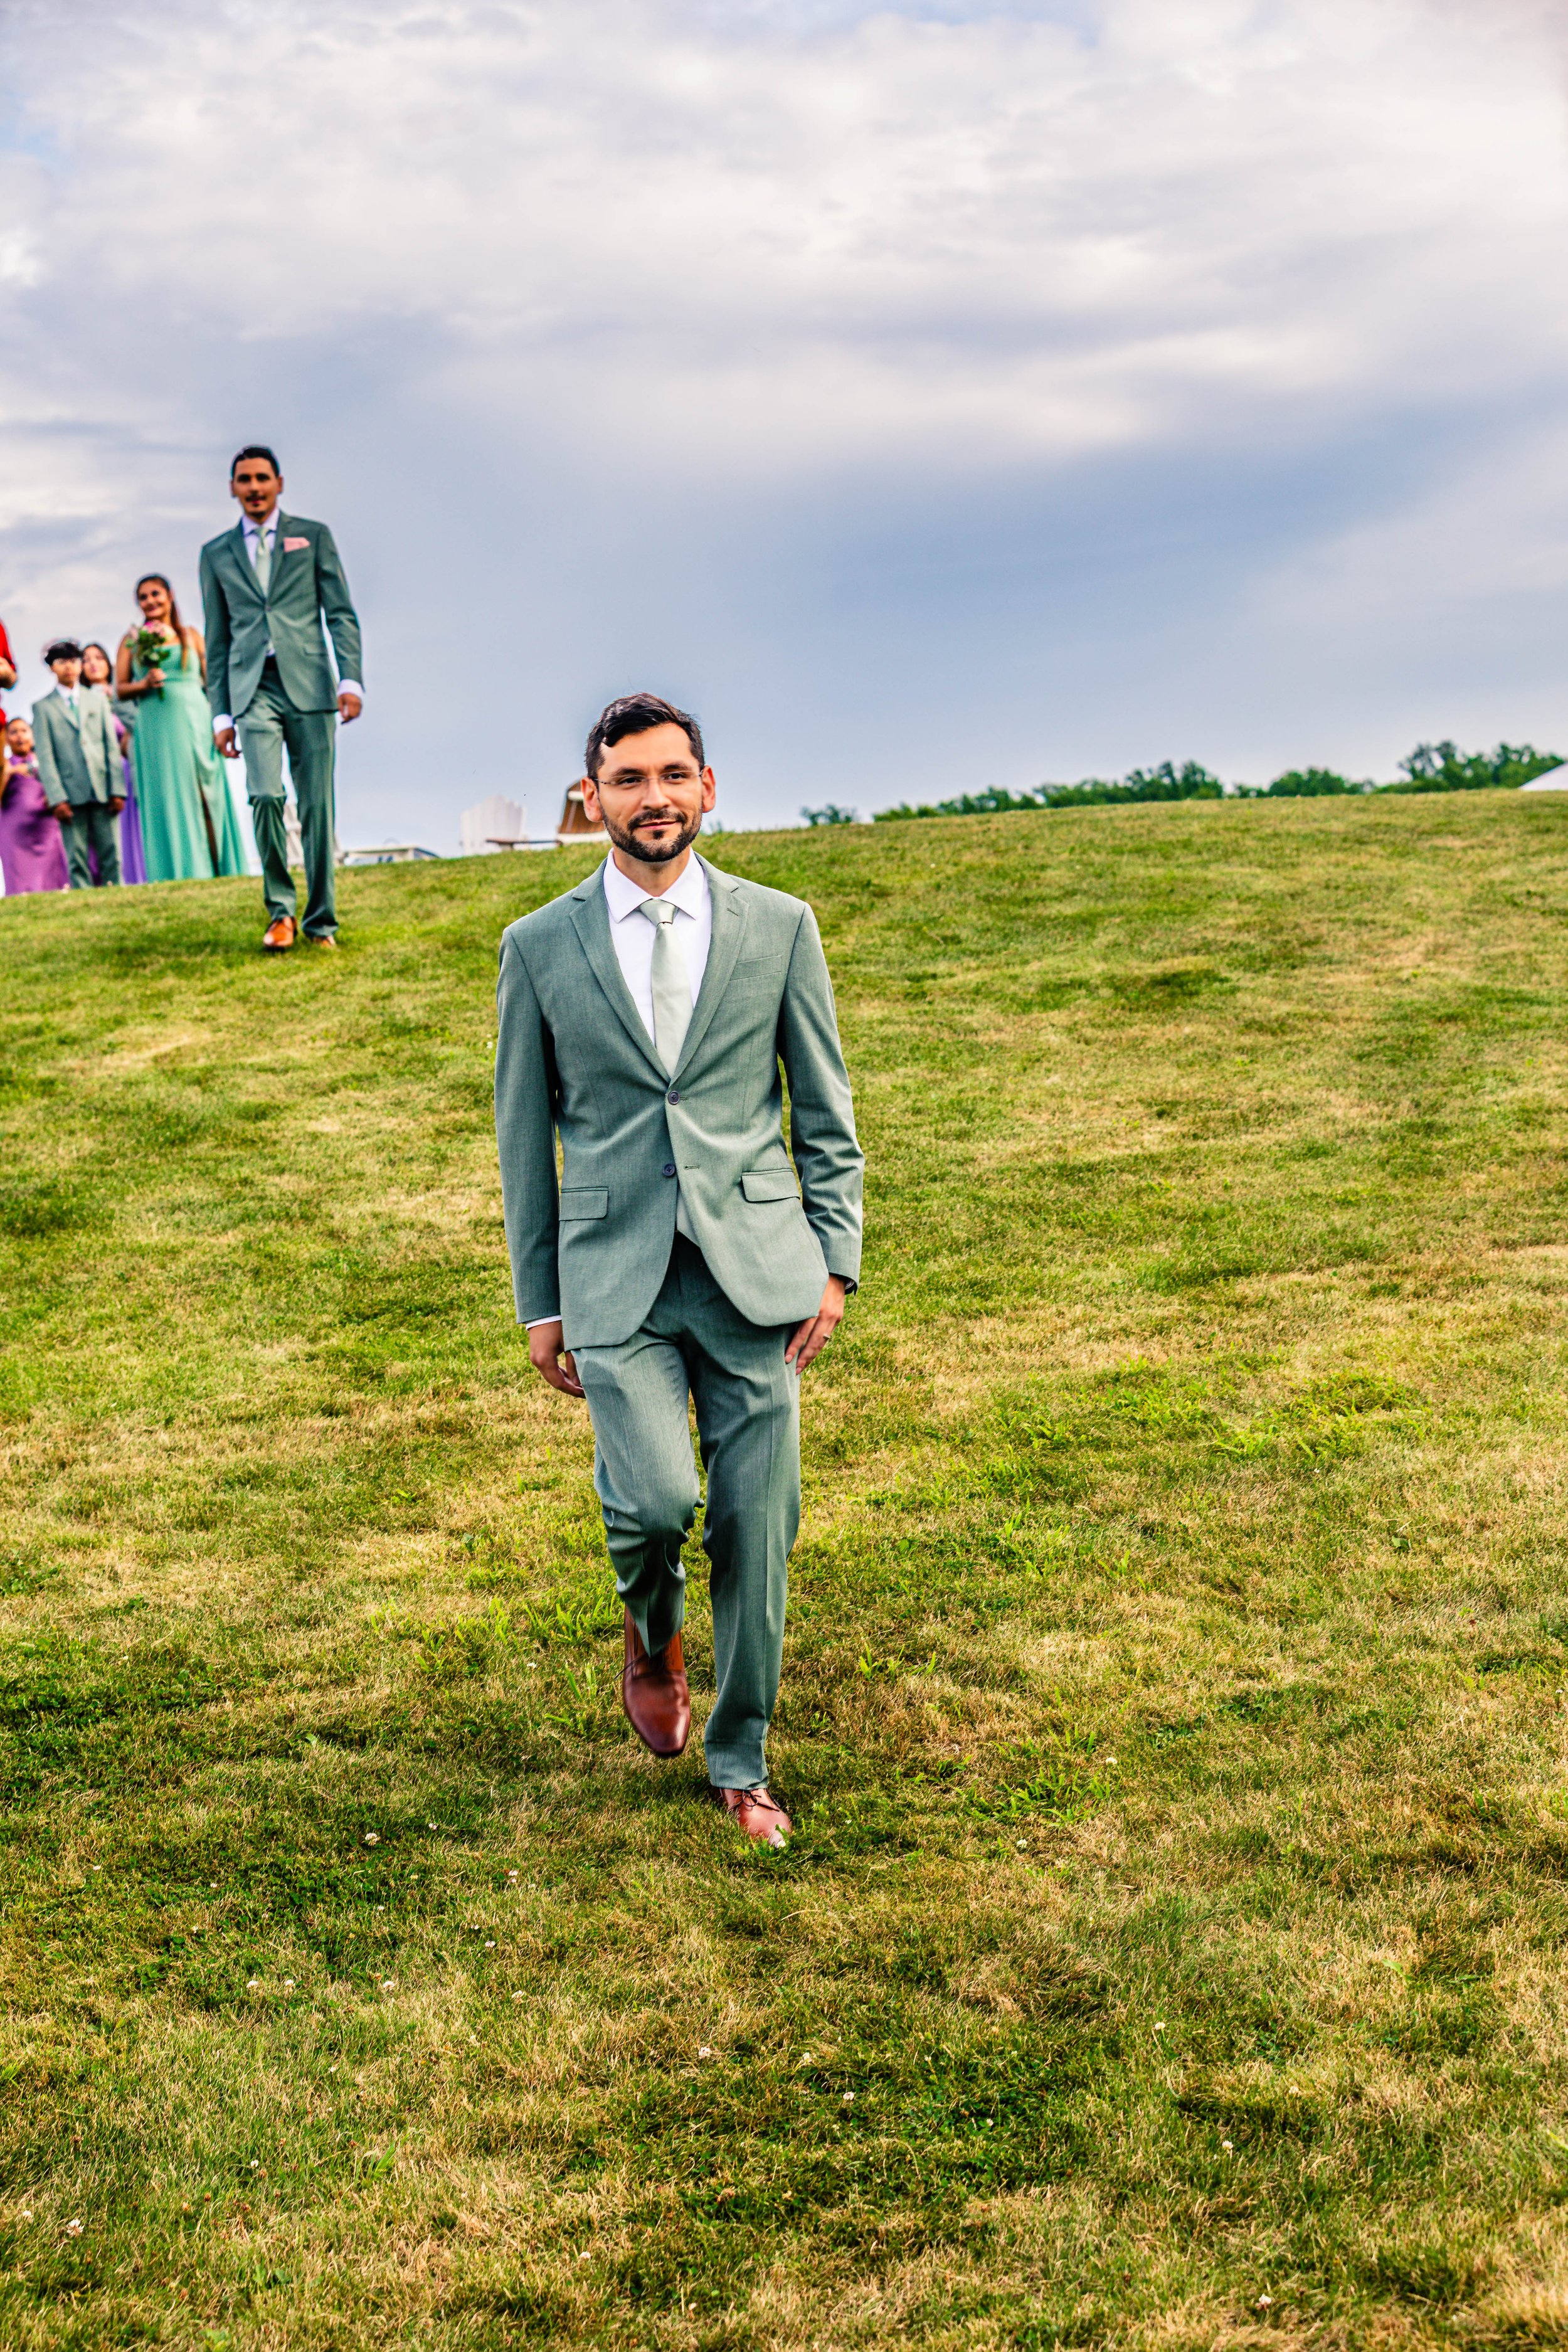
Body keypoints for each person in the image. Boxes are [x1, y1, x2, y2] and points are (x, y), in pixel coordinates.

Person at [494, 693, 864, 1848]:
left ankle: (741, 1757)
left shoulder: (780, 926)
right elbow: (522, 1139)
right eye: (627, 779)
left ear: (708, 788)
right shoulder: (540, 947)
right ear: (591, 798)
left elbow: (825, 1109)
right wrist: (541, 1303)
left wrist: (834, 1262)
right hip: (615, 1279)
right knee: (652, 1501)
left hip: (759, 1269)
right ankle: (648, 1634)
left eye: (672, 775)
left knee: (760, 1524)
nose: (652, 797)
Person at [199, 445, 363, 953]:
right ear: (232, 488)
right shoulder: (216, 553)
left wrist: (350, 680)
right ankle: (280, 913)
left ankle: (321, 923)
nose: (253, 488)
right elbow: (218, 636)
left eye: (261, 478)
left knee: (317, 805)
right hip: (252, 690)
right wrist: (220, 713)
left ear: (279, 483)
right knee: (266, 795)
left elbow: (340, 612)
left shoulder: (313, 537)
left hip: (311, 684)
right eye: (244, 480)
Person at [115, 578, 246, 884]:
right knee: (169, 797)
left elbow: (211, 682)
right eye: (143, 597)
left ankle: (221, 868)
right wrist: (144, 684)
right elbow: (119, 689)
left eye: (155, 595)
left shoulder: (191, 636)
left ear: (170, 596)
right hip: (156, 727)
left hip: (196, 720)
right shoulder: (131, 641)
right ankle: (178, 871)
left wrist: (221, 723)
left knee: (206, 791)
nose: (150, 602)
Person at [33, 639, 124, 889]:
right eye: (61, 662)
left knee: (112, 852)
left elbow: (111, 747)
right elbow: (46, 757)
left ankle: (117, 894)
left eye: (74, 661)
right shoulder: (42, 708)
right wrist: (56, 797)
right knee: (77, 856)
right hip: (69, 794)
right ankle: (83, 898)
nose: (69, 667)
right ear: (52, 667)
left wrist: (117, 789)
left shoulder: (97, 701)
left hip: (102, 787)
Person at [82, 641, 146, 886]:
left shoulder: (124, 694)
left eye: (98, 657)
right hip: (100, 776)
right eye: (86, 660)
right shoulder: (81, 702)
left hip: (129, 769)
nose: (93, 664)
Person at [1, 716, 70, 896]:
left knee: (51, 877)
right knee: (19, 878)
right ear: (7, 739)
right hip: (15, 834)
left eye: (24, 731)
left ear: (32, 735)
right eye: (14, 732)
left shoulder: (44, 762)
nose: (19, 736)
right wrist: (10, 772)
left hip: (45, 830)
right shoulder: (5, 765)